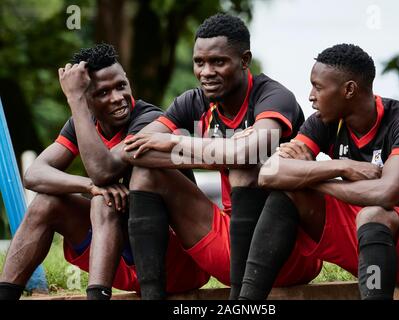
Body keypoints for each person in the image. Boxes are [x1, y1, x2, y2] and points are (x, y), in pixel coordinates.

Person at [121, 13, 322, 300]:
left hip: (286, 252)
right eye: (199, 62)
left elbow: (247, 153)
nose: (206, 72)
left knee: (245, 168)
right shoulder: (192, 101)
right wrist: (215, 153)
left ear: (244, 60)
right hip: (229, 240)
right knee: (145, 174)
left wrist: (174, 142)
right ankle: (152, 296)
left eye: (218, 62)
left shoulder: (273, 96)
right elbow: (134, 149)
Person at [239, 43, 399, 300]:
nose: (310, 96)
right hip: (368, 240)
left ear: (349, 89)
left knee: (374, 213)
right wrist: (341, 166)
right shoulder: (324, 121)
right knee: (289, 192)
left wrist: (311, 179)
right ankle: (245, 303)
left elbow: (386, 193)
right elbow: (269, 173)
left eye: (318, 87)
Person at [0, 44, 209, 300]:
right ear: (87, 100)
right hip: (124, 260)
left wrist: (75, 99)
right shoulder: (83, 123)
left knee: (103, 200)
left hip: (174, 264)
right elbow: (34, 175)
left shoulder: (150, 120)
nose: (117, 97)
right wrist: (88, 185)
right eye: (103, 92)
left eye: (121, 86)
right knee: (46, 203)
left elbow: (104, 171)